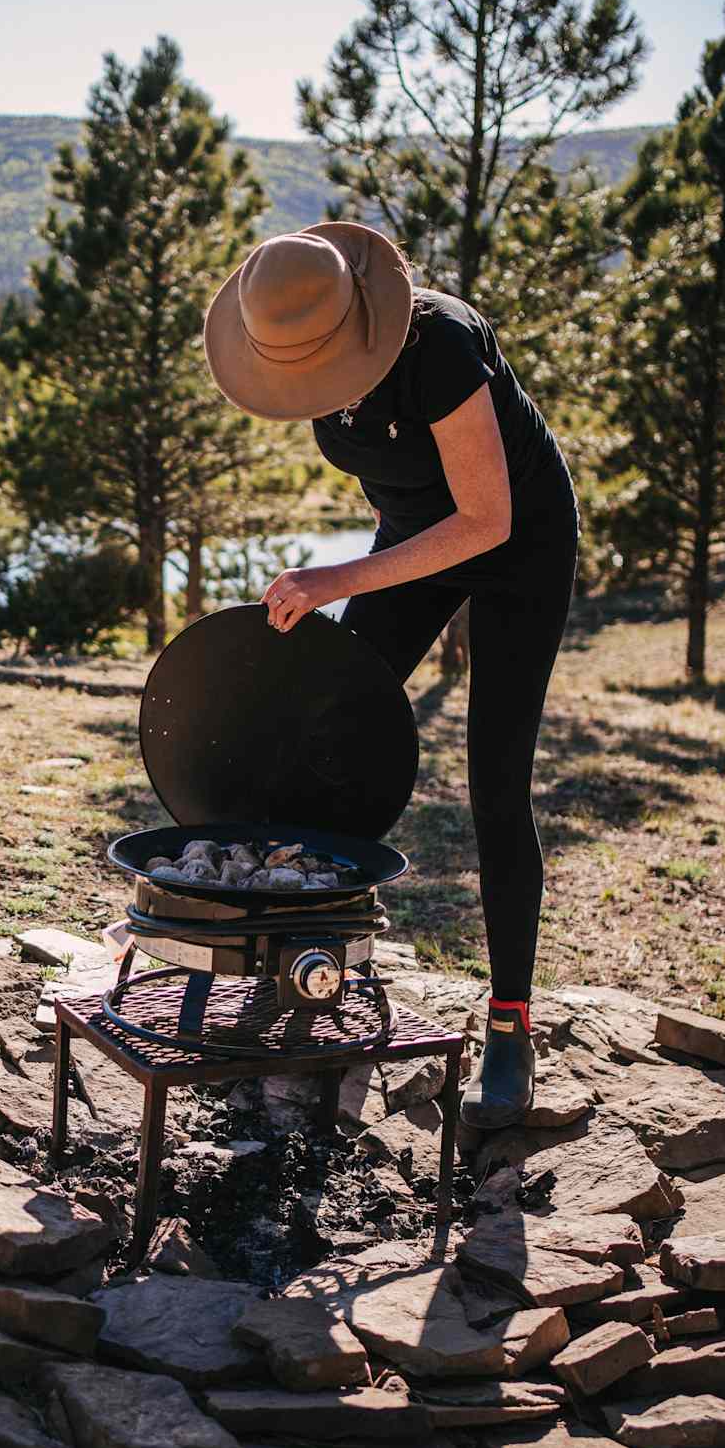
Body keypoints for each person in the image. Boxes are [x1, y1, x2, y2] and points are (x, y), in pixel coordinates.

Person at [202, 221, 579, 1129]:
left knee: (495, 785)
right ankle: (314, 962)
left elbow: (486, 520)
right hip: (416, 541)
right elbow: (396, 490)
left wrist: (336, 581)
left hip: (515, 542)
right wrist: (373, 576)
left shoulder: (442, 344)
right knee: (330, 732)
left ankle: (510, 1024)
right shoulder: (307, 356)